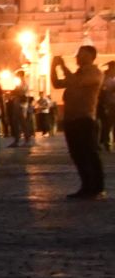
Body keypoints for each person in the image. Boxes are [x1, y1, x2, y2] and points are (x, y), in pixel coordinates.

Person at [51, 46, 106, 199]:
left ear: (89, 56)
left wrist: (62, 66)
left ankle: (97, 188)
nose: (76, 57)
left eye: (80, 54)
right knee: (77, 155)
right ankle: (86, 186)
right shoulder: (77, 73)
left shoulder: (95, 73)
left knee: (89, 153)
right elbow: (57, 83)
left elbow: (77, 82)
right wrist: (53, 66)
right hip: (71, 119)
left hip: (85, 119)